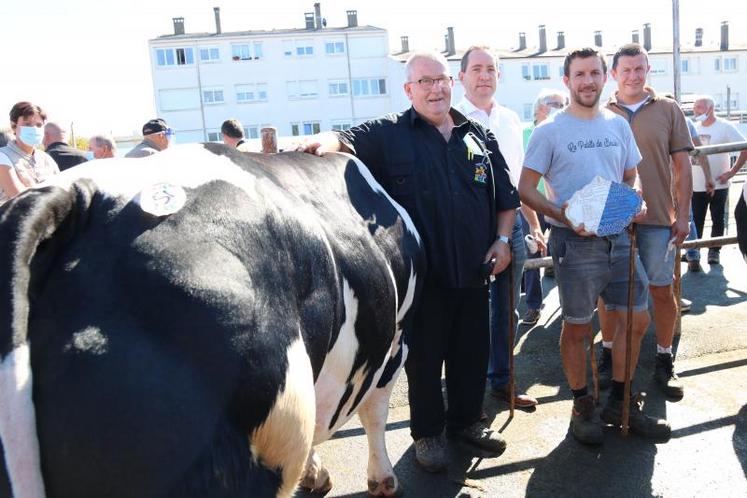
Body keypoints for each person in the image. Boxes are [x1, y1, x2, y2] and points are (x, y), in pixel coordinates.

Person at [298, 50, 519, 472]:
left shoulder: (479, 136)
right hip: (423, 280)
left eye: (441, 80)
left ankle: (468, 424)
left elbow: (506, 198)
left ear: (452, 84)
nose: (435, 89)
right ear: (408, 90)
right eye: (424, 82)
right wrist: (319, 145)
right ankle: (428, 436)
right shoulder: (390, 133)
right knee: (424, 361)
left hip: (476, 271)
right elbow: (345, 139)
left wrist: (504, 241)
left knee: (472, 354)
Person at [520, 47, 670, 445]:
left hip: (620, 237)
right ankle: (582, 405)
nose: (588, 81)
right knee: (577, 327)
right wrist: (560, 213)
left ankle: (621, 401)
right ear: (567, 80)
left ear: (605, 78)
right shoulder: (549, 130)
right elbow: (524, 187)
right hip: (575, 242)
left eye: (594, 74)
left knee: (635, 321)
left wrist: (632, 199)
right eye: (579, 74)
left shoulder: (617, 125)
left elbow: (631, 175)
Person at [602, 43, 694, 400]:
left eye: (639, 68)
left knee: (661, 288)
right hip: (614, 221)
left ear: (647, 69)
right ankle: (608, 351)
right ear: (614, 74)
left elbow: (682, 166)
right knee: (611, 296)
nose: (633, 75)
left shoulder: (668, 109)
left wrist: (683, 214)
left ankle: (664, 357)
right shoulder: (601, 111)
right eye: (625, 70)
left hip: (657, 218)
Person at [454, 45, 540, 409]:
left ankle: (502, 381)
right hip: (465, 229)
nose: (484, 76)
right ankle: (463, 387)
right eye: (476, 69)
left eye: (491, 69)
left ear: (499, 76)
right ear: (462, 77)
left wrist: (533, 224)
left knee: (508, 307)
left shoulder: (509, 120)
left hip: (512, 224)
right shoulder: (450, 117)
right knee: (464, 309)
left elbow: (518, 181)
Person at [521, 89, 568, 318]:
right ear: (540, 108)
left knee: (564, 253)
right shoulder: (524, 133)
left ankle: (566, 301)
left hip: (559, 202)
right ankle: (533, 305)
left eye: (563, 104)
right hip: (531, 202)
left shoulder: (567, 132)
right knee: (532, 254)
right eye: (555, 104)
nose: (560, 108)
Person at [691, 95, 747, 266]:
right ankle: (695, 252)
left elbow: (744, 147)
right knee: (696, 219)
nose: (695, 111)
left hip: (719, 182)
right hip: (696, 184)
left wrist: (731, 173)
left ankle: (714, 252)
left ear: (710, 109)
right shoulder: (694, 127)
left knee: (718, 218)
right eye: (695, 107)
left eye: (699, 107)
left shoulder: (725, 127)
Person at [0, 101, 60, 205]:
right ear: (14, 126)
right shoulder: (3, 157)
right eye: (27, 124)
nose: (34, 129)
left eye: (39, 125)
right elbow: (19, 198)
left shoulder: (46, 159)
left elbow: (61, 191)